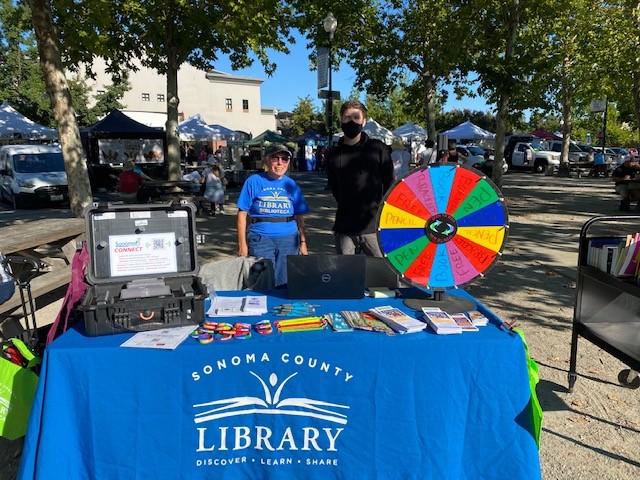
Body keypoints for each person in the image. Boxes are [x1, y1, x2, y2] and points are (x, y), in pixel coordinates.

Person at [325, 99, 394, 257]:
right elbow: (335, 189)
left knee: (382, 276)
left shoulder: (378, 148)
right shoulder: (332, 155)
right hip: (344, 228)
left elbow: (390, 183)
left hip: (375, 227)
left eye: (356, 117)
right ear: (341, 120)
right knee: (347, 277)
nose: (351, 121)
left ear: (363, 120)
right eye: (347, 117)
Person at [236, 144, 309, 287]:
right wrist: (242, 244)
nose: (280, 163)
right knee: (262, 282)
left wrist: (303, 243)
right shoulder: (254, 181)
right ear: (267, 160)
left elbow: (299, 217)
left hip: (289, 238)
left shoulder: (291, 184)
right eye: (276, 158)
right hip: (261, 238)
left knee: (284, 282)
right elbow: (241, 215)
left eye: (285, 159)